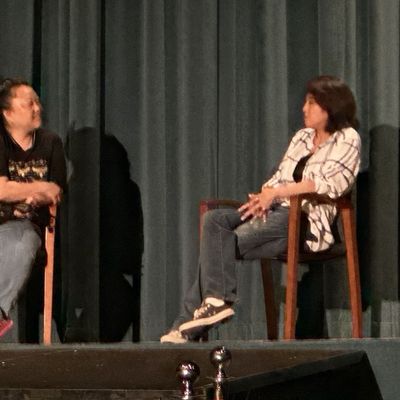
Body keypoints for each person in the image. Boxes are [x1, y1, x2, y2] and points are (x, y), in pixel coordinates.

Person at [161, 75, 361, 343]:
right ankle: (214, 303)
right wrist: (263, 197)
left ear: (330, 106)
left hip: (306, 222)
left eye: (311, 103)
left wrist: (277, 193)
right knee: (215, 221)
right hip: (278, 212)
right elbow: (280, 176)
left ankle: (187, 323)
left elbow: (332, 184)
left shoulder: (347, 138)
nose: (304, 109)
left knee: (218, 248)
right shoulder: (302, 138)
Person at [0, 78, 66, 338]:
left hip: (27, 225)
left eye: (37, 102)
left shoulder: (50, 142)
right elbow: (2, 190)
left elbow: (56, 190)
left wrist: (39, 192)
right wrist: (39, 186)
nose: (37, 108)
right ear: (8, 113)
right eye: (29, 103)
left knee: (22, 243)